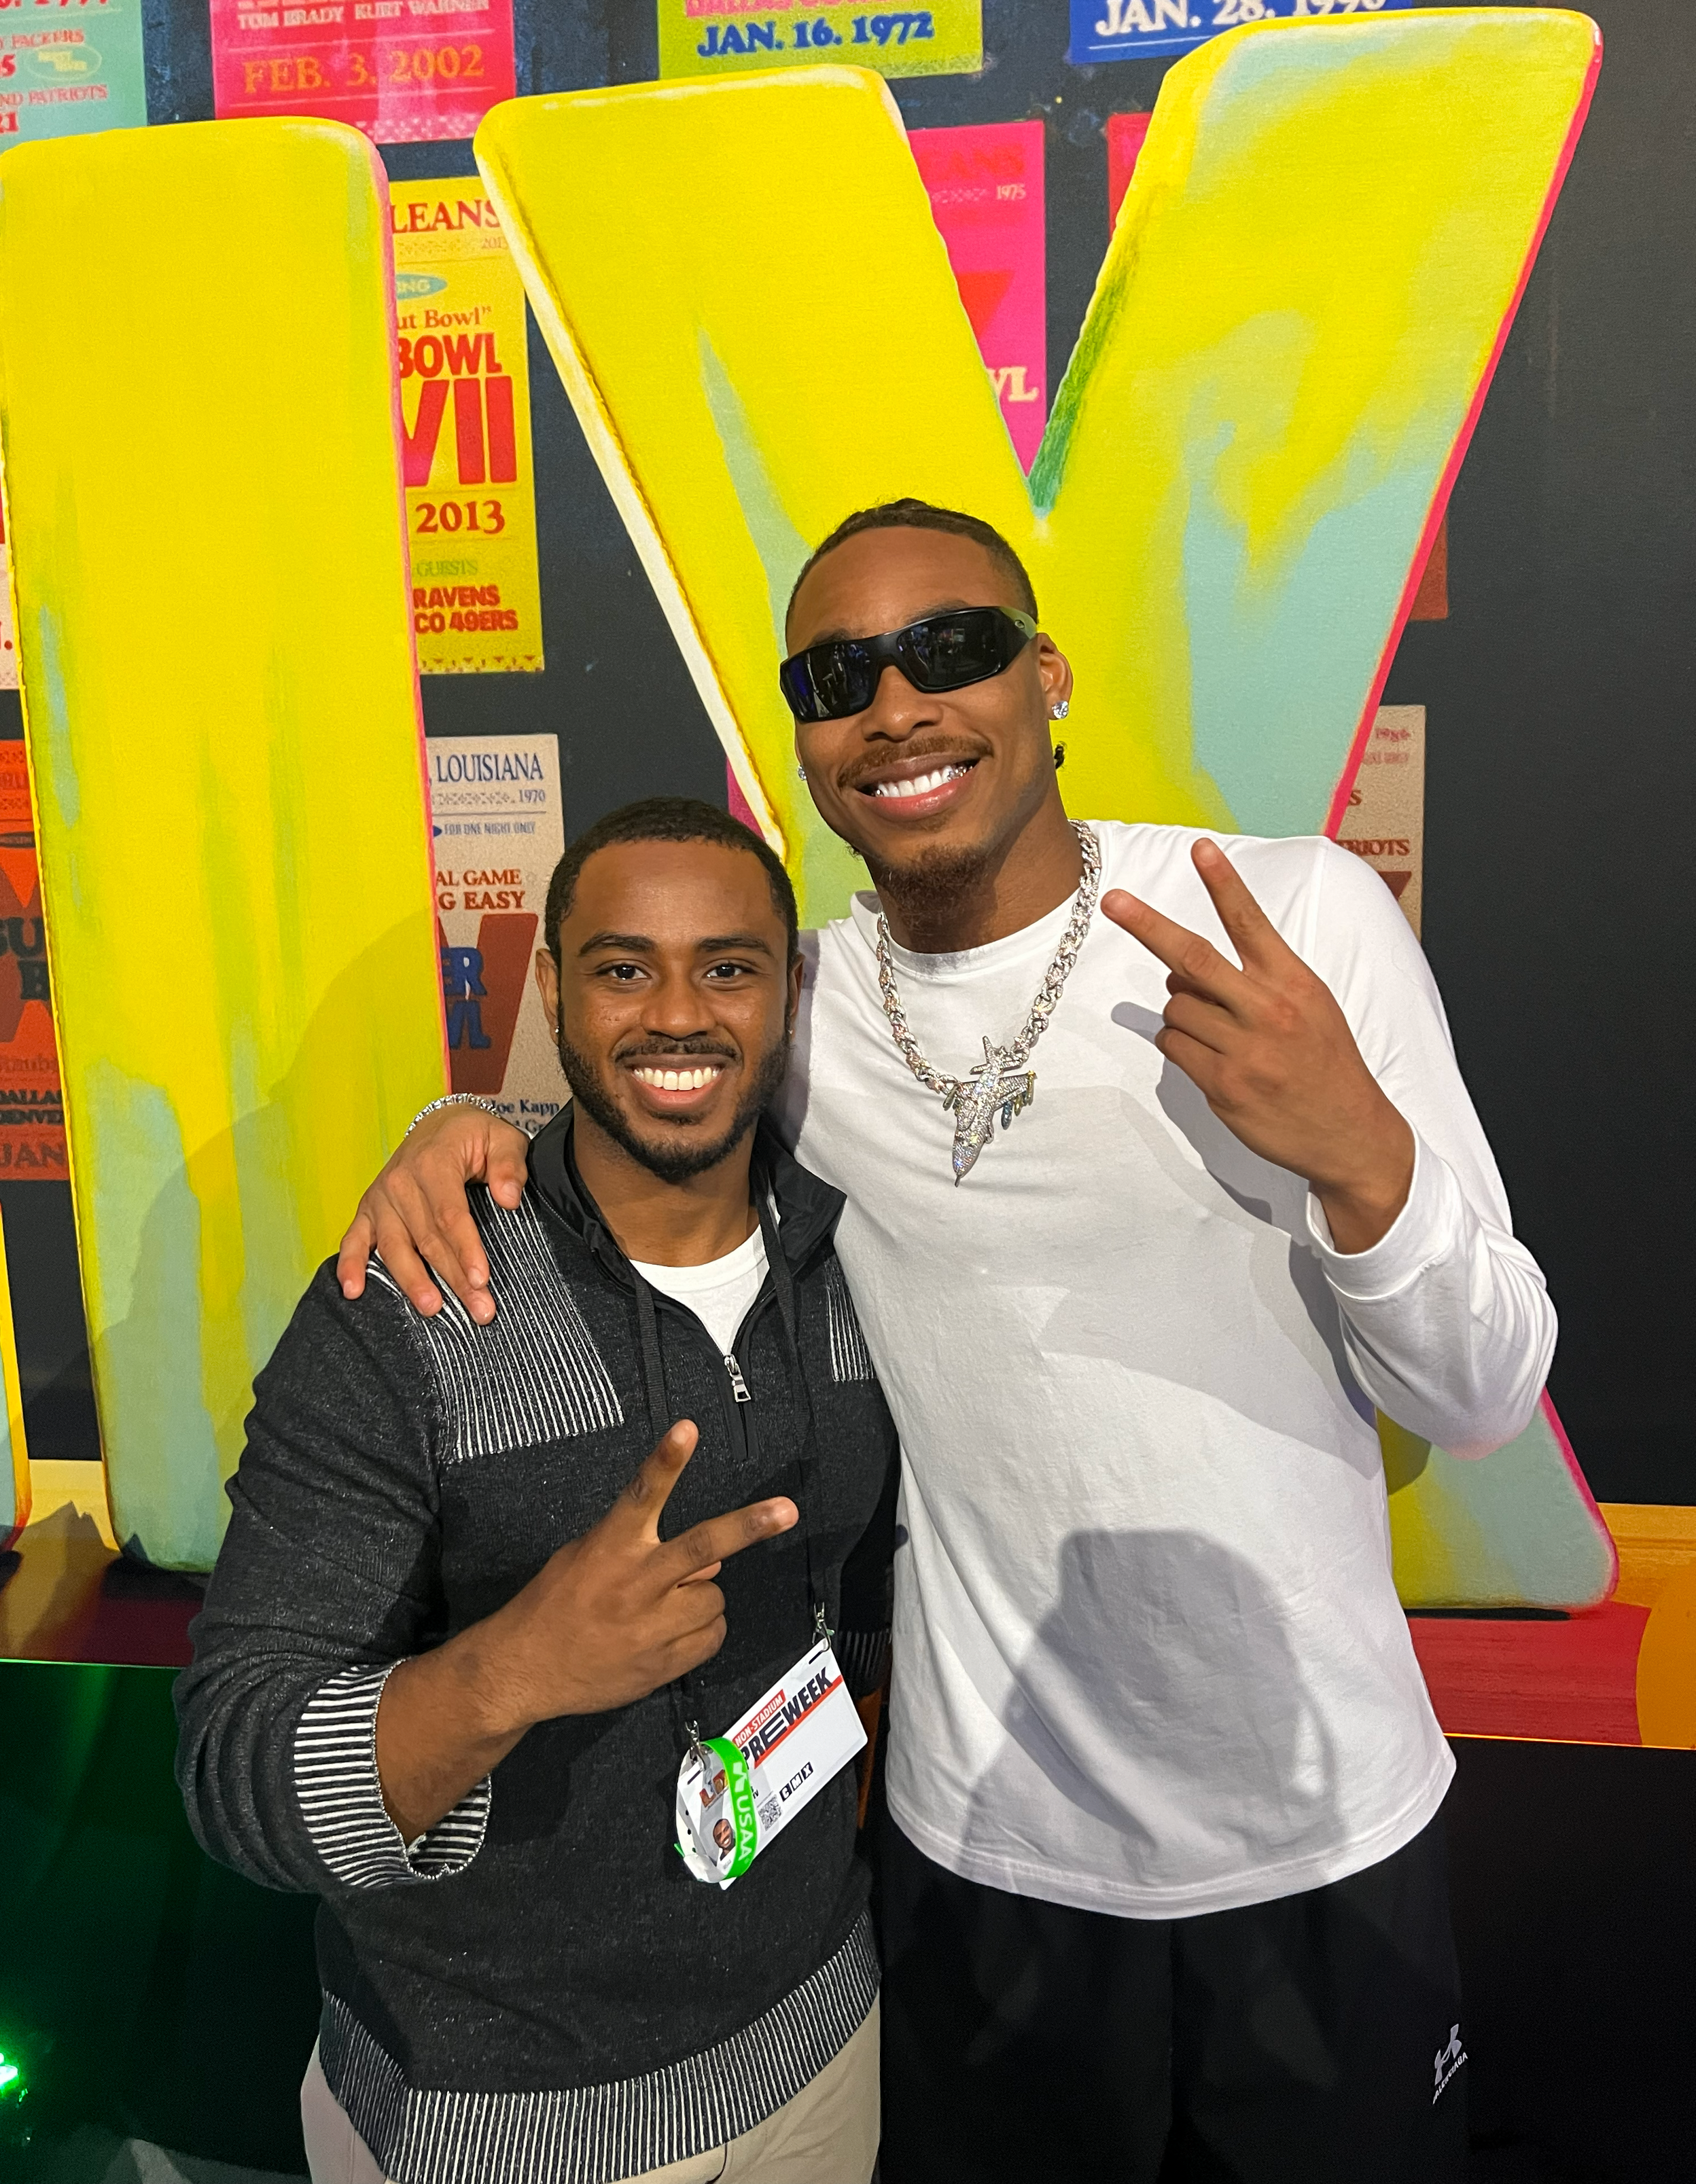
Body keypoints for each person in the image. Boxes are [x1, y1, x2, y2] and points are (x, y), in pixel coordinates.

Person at [338, 501, 1557, 2183]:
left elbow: (1480, 1391)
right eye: (840, 674)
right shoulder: (807, 1007)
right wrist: (454, 1116)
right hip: (983, 1857)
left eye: (953, 648)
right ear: (806, 738)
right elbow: (638, 1090)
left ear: (1044, 677)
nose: (897, 703)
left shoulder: (1288, 921)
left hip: (1320, 1836)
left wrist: (1356, 1148)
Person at [176, 798, 899, 2184]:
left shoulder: (857, 1264)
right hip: (496, 2126)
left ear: (788, 992)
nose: (677, 1012)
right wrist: (511, 1670)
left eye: (728, 967)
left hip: (820, 2048)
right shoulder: (413, 1304)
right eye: (624, 968)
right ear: (552, 987)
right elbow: (236, 1770)